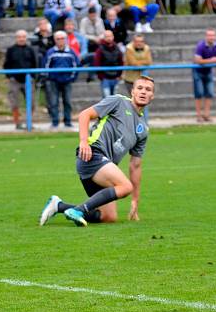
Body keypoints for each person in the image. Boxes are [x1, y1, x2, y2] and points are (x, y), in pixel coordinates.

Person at [38, 76, 154, 227]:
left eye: (148, 89)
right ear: (132, 91)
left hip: (104, 167)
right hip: (92, 154)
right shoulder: (118, 101)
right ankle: (78, 210)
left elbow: (135, 165)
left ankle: (58, 206)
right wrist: (84, 141)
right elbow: (84, 115)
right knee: (125, 187)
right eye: (139, 88)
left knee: (108, 217)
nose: (143, 92)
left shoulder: (143, 129)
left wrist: (135, 200)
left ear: (152, 96)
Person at [44, 30, 80, 129]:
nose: (60, 41)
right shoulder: (51, 52)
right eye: (58, 39)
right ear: (55, 40)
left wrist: (72, 77)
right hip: (54, 81)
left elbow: (76, 66)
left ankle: (67, 122)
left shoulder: (71, 52)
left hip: (67, 81)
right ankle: (55, 122)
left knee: (67, 101)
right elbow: (46, 66)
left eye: (62, 38)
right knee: (54, 102)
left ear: (66, 39)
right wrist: (49, 77)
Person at [4, 30, 39, 130]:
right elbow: (7, 64)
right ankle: (17, 123)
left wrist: (33, 76)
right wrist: (9, 76)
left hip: (28, 80)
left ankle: (29, 122)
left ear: (26, 38)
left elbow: (35, 63)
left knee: (31, 102)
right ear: (16, 38)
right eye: (19, 37)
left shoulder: (30, 50)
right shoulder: (11, 50)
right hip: (15, 80)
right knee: (14, 102)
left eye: (23, 37)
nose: (21, 39)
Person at [193, 29, 216, 123]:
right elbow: (197, 61)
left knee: (209, 93)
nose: (211, 37)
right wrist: (212, 60)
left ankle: (206, 115)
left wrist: (215, 60)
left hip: (208, 71)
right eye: (209, 35)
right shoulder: (200, 46)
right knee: (199, 93)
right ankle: (199, 116)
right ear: (206, 36)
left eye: (213, 35)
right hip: (198, 71)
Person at [93, 30, 123, 97]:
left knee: (115, 100)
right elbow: (96, 63)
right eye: (107, 36)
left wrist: (119, 74)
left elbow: (121, 61)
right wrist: (101, 77)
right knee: (106, 100)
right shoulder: (100, 49)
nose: (109, 38)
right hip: (105, 78)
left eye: (110, 36)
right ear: (104, 37)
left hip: (115, 77)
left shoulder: (117, 48)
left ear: (113, 36)